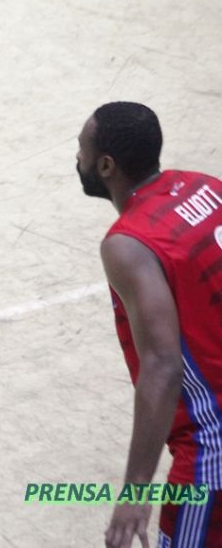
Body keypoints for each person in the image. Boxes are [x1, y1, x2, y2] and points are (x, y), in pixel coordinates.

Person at [76, 102, 222, 548]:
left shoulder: (129, 245)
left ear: (106, 166)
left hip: (211, 448)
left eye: (82, 149)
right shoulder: (206, 186)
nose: (77, 158)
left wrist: (136, 490)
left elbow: (162, 364)